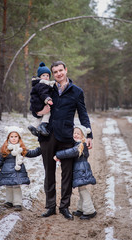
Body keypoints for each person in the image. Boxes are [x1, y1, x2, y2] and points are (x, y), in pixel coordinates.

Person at [38, 60, 93, 220]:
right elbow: (34, 106)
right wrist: (40, 111)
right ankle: (50, 207)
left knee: (67, 173)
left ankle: (64, 207)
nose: (58, 74)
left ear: (66, 70)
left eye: (60, 70)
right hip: (48, 136)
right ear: (53, 74)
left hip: (67, 137)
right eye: (55, 72)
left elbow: (83, 114)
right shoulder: (47, 88)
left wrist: (89, 135)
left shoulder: (77, 92)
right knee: (49, 172)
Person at [0, 126, 41, 211]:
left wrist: (40, 149)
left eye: (16, 137)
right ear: (8, 138)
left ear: (19, 138)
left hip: (17, 172)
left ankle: (17, 203)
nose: (14, 138)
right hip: (7, 172)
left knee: (16, 187)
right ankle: (9, 201)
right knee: (9, 187)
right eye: (12, 137)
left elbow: (32, 153)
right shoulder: (5, 149)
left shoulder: (21, 149)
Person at [54, 125, 97, 220]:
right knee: (81, 189)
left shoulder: (81, 145)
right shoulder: (76, 143)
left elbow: (72, 152)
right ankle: (81, 208)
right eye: (74, 133)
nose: (76, 135)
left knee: (83, 190)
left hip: (81, 170)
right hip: (79, 170)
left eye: (78, 133)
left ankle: (90, 210)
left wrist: (58, 155)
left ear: (83, 136)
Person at [28, 62, 55, 137]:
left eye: (47, 75)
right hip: (40, 103)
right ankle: (43, 125)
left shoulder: (39, 84)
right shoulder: (42, 84)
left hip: (37, 104)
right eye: (44, 75)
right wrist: (48, 99)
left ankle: (33, 126)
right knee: (47, 113)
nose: (46, 77)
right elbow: (43, 93)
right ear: (39, 76)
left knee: (42, 116)